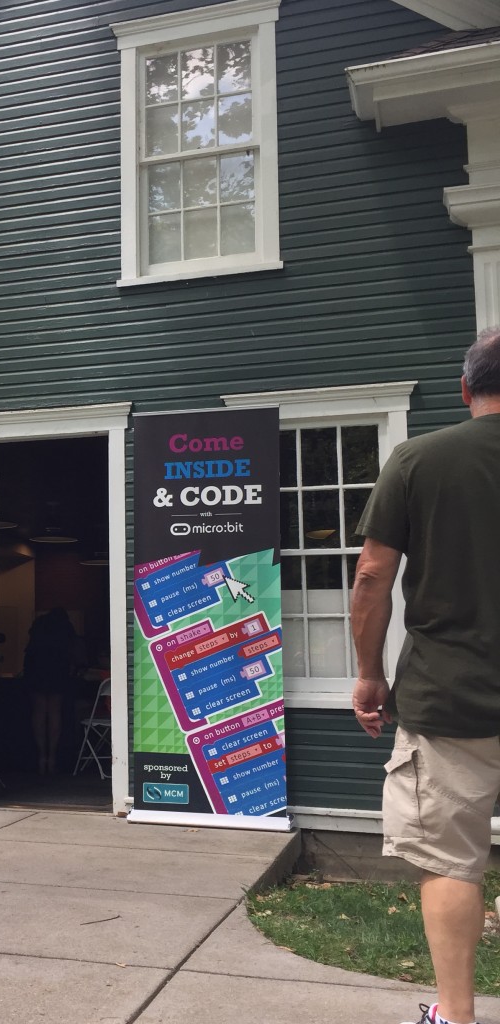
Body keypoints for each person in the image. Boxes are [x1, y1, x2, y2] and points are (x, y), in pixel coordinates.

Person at [350, 326, 500, 1024]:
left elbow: (373, 574)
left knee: (451, 861)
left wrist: (367, 675)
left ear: (467, 389)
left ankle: (457, 1017)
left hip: (448, 702)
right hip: (449, 700)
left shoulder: (419, 460)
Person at [22, 607, 78, 774]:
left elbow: (29, 649)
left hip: (37, 669)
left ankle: (41, 757)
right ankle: (52, 757)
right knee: (55, 713)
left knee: (39, 712)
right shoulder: (65, 627)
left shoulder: (39, 625)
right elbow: (73, 649)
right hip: (58, 669)